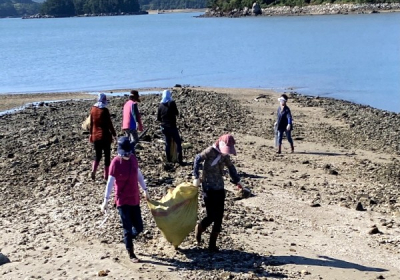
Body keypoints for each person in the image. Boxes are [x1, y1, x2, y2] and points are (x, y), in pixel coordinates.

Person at [100, 136, 150, 263]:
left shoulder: (133, 159)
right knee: (127, 227)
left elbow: (138, 174)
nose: (127, 156)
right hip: (122, 200)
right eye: (125, 154)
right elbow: (110, 183)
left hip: (134, 198)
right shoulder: (115, 163)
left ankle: (128, 238)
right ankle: (131, 252)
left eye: (129, 153)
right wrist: (105, 200)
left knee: (139, 227)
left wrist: (145, 189)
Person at [192, 134, 244, 252]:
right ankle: (199, 228)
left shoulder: (224, 156)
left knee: (219, 216)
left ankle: (212, 245)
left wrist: (238, 181)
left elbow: (231, 168)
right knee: (211, 215)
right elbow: (197, 159)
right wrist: (196, 176)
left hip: (219, 187)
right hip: (208, 187)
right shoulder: (210, 151)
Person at [89, 93, 117, 181]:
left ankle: (93, 170)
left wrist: (91, 134)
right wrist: (114, 134)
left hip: (95, 135)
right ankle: (106, 175)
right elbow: (109, 124)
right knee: (107, 156)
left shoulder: (93, 109)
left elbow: (91, 123)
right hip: (105, 136)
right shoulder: (105, 110)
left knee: (98, 155)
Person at [157, 89, 184, 165]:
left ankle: (169, 160)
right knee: (178, 143)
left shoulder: (160, 105)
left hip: (164, 127)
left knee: (167, 143)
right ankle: (180, 160)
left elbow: (158, 118)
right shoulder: (172, 103)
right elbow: (176, 113)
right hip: (172, 126)